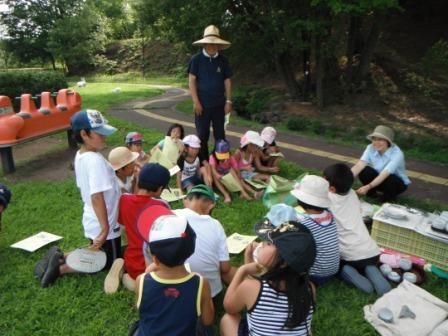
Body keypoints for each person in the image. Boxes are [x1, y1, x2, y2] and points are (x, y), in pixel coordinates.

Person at [34, 109, 122, 288]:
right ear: (84, 134)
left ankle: (61, 256)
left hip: (93, 218)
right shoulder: (95, 161)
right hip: (104, 222)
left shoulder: (82, 155)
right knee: (108, 261)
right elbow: (97, 197)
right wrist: (105, 229)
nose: (105, 137)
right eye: (100, 133)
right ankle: (62, 268)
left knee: (98, 250)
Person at [220, 222, 316, 336]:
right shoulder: (310, 288)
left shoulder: (251, 288)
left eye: (269, 244)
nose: (262, 244)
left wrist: (242, 270)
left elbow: (228, 307)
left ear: (283, 263)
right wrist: (249, 261)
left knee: (228, 320)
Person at [132, 205, 214, 336]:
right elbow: (207, 320)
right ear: (190, 251)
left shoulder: (141, 281)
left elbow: (141, 308)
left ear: (155, 259)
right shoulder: (200, 283)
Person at [324, 163, 391, 295]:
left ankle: (350, 274)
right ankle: (370, 268)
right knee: (365, 261)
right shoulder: (353, 194)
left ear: (331, 188)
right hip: (371, 250)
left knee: (338, 264)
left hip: (348, 254)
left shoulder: (326, 199)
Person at [115, 163, 171, 293]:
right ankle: (128, 280)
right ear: (159, 189)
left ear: (138, 180)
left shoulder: (124, 199)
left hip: (132, 262)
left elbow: (124, 222)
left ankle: (128, 276)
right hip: (153, 267)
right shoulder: (161, 205)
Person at [173, 184, 236, 298]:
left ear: (185, 200)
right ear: (212, 205)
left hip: (171, 292)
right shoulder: (215, 224)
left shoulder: (169, 215)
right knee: (228, 269)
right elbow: (225, 268)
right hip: (209, 295)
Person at [188, 25, 233, 161]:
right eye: (209, 43)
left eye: (215, 44)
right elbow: (191, 81)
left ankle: (219, 161)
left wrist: (229, 101)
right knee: (202, 135)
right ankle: (203, 162)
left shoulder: (223, 61)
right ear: (205, 43)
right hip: (202, 105)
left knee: (220, 135)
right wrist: (196, 102)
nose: (212, 46)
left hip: (220, 105)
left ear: (218, 45)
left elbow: (227, 81)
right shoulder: (196, 59)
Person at [290, 175, 340, 285]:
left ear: (301, 201)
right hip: (333, 270)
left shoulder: (303, 222)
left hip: (315, 275)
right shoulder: (330, 214)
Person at [351, 125, 411, 202]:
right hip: (380, 179)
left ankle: (388, 198)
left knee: (390, 179)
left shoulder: (397, 154)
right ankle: (371, 194)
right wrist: (345, 180)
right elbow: (359, 165)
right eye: (374, 139)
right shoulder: (370, 148)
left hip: (396, 184)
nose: (376, 143)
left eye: (380, 140)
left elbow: (384, 174)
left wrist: (368, 186)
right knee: (365, 171)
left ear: (388, 141)